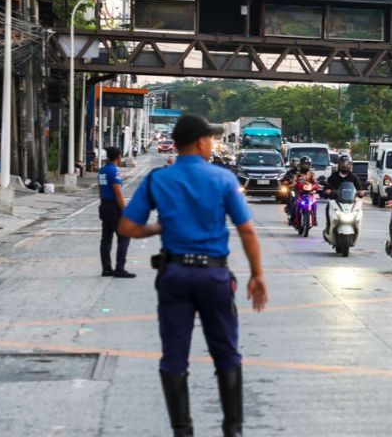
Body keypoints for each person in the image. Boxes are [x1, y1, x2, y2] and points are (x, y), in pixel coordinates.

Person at [118, 114, 268, 437]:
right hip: (214, 277)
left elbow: (127, 227)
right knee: (226, 353)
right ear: (200, 142)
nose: (212, 143)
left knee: (174, 356)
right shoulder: (223, 179)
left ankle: (182, 432)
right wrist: (257, 275)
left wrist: (158, 227)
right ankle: (233, 430)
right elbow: (247, 231)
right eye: (210, 139)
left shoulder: (159, 179)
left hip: (174, 275)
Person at [98, 146, 135, 278]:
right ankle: (120, 268)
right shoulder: (113, 171)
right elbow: (118, 192)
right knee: (124, 237)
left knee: (106, 239)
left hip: (104, 206)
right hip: (114, 208)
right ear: (119, 156)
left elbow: (100, 190)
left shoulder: (102, 170)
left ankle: (106, 269)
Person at [322, 154, 365, 234]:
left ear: (350, 165)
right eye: (342, 163)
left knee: (358, 211)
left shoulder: (353, 177)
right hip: (335, 201)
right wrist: (327, 190)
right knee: (328, 208)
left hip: (350, 202)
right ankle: (328, 227)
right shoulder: (333, 176)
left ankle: (356, 228)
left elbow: (360, 188)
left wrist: (361, 192)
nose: (344, 165)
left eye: (346, 163)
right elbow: (326, 187)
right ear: (339, 164)